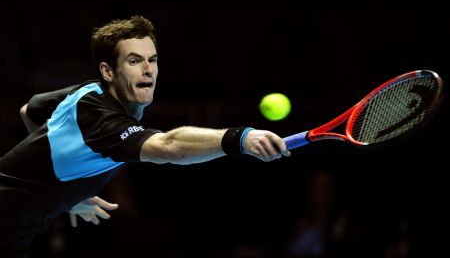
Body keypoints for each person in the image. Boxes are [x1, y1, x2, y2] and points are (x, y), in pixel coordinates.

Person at [0, 15, 290, 257]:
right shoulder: (104, 119)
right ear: (108, 71)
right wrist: (240, 138)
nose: (148, 70)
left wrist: (66, 190)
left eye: (153, 59)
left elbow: (31, 109)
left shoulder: (86, 93)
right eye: (135, 61)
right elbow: (167, 146)